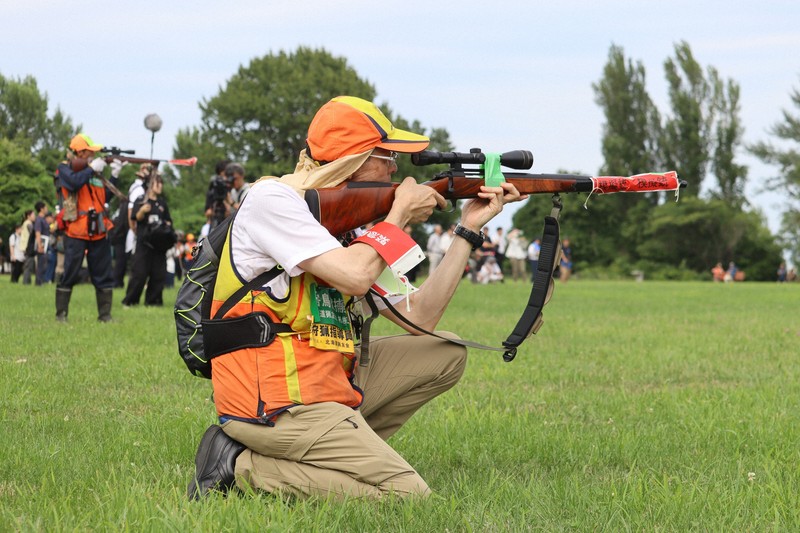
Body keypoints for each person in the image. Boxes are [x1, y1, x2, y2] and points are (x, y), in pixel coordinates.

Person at [186, 95, 523, 501]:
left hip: (325, 384)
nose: (396, 169)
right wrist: (395, 217)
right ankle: (241, 466)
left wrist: (468, 229)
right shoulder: (271, 200)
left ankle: (331, 454)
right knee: (409, 497)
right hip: (273, 403)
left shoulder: (350, 223)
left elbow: (422, 318)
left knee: (445, 352)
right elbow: (355, 276)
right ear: (354, 160)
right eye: (387, 156)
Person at [55, 133, 116, 322]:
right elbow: (73, 182)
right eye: (90, 153)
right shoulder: (64, 169)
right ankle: (61, 315)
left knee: (103, 274)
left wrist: (115, 176)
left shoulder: (93, 172)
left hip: (97, 230)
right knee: (70, 272)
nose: (93, 156)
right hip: (76, 230)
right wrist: (91, 169)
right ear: (80, 153)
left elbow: (105, 198)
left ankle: (105, 315)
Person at [122, 172, 173, 307]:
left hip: (159, 244)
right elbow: (135, 219)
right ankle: (131, 301)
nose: (160, 185)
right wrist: (142, 211)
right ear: (150, 184)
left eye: (161, 182)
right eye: (157, 182)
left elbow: (168, 221)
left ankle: (153, 301)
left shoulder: (162, 203)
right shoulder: (141, 200)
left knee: (158, 274)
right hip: (144, 243)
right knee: (139, 273)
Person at [205, 160, 232, 229]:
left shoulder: (233, 188)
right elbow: (207, 212)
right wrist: (213, 212)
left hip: (230, 223)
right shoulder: (213, 190)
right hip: (215, 223)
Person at [33, 201, 51, 285]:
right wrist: (40, 245)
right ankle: (38, 282)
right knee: (41, 264)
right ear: (41, 209)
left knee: (44, 263)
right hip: (42, 244)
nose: (47, 209)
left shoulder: (43, 219)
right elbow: (38, 233)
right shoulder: (38, 220)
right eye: (45, 207)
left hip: (46, 243)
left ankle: (40, 281)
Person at [20, 210, 36, 285]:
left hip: (25, 247)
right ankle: (26, 282)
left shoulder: (25, 223)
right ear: (28, 216)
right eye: (33, 215)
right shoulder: (28, 223)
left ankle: (27, 282)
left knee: (28, 265)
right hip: (27, 247)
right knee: (28, 265)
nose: (34, 216)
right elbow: (33, 232)